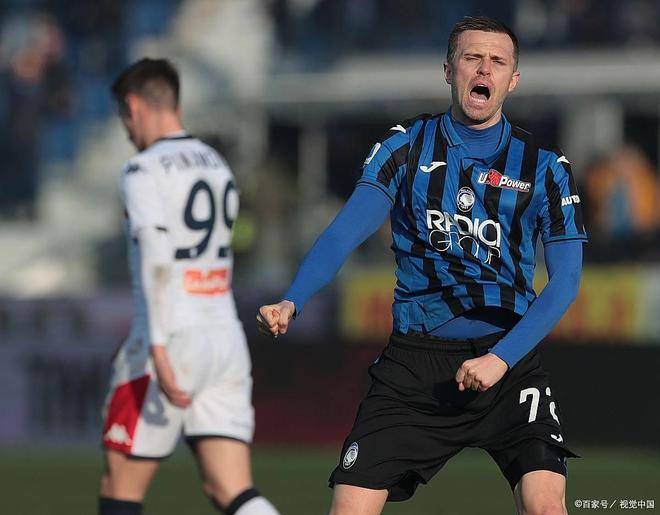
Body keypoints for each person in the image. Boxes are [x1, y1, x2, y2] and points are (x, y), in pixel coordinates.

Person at [258, 16, 586, 515]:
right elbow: (345, 231)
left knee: (546, 505)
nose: (485, 69)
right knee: (348, 509)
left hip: (508, 360)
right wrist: (292, 300)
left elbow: (567, 280)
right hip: (415, 366)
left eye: (498, 61)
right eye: (472, 57)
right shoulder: (405, 146)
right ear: (449, 71)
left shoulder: (545, 165)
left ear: (513, 79)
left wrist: (500, 359)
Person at [100, 58, 279, 515]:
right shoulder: (218, 165)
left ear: (134, 107)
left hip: (170, 335)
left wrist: (158, 347)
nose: (127, 131)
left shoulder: (142, 169)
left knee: (121, 485)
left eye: (124, 118)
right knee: (232, 489)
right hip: (224, 336)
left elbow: (156, 257)